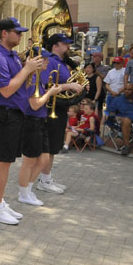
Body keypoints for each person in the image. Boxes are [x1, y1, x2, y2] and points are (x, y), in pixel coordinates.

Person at [0, 17, 47, 225]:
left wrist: (31, 70)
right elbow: (7, 89)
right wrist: (27, 69)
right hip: (3, 113)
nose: (20, 36)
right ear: (4, 33)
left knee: (6, 162)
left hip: (13, 114)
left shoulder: (12, 56)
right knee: (2, 162)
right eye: (17, 32)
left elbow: (19, 85)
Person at [33, 33, 84, 195]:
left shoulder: (61, 62)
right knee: (50, 147)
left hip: (59, 108)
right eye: (65, 44)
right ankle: (44, 181)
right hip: (51, 108)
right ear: (56, 46)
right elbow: (47, 86)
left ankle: (46, 178)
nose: (68, 47)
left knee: (53, 146)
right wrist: (70, 87)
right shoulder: (51, 62)